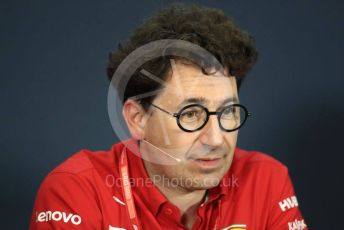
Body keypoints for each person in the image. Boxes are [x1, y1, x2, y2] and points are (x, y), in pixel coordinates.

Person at [30, 4, 307, 230]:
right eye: (191, 114)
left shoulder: (266, 179)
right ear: (138, 118)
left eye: (227, 112)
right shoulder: (77, 191)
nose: (215, 138)